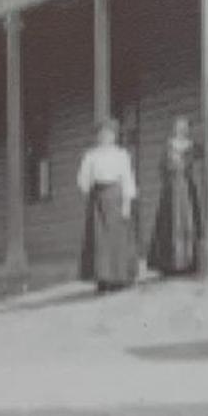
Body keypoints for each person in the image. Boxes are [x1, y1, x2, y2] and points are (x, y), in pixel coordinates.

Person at [75, 119, 138, 290]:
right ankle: (102, 279)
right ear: (97, 136)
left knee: (117, 238)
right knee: (99, 240)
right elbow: (83, 180)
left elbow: (127, 179)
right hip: (97, 199)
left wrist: (127, 204)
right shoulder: (91, 155)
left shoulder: (121, 155)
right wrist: (88, 190)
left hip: (116, 197)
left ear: (114, 136)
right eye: (102, 134)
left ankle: (120, 278)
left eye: (109, 134)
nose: (105, 137)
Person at [148, 115, 204, 277]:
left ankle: (189, 262)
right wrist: (170, 174)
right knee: (170, 222)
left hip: (187, 186)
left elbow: (202, 156)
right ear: (174, 128)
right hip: (171, 189)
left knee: (188, 220)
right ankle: (169, 264)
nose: (181, 129)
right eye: (178, 126)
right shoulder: (168, 146)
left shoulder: (193, 146)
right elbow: (161, 168)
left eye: (184, 126)